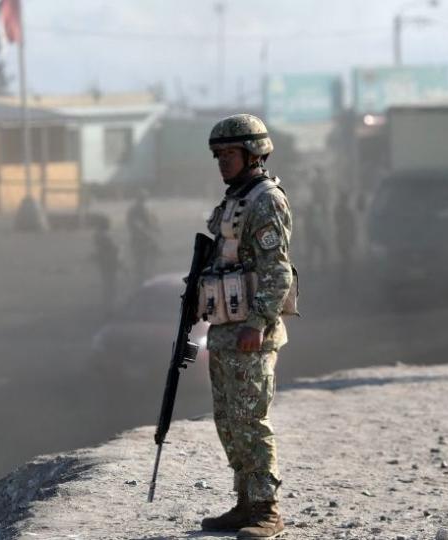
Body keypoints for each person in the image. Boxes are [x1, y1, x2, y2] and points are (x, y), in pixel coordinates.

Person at [200, 114, 293, 538]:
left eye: (230, 154)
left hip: (251, 331)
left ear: (254, 154)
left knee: (251, 418)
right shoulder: (234, 200)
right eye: (218, 155)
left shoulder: (264, 200)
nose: (222, 162)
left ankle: (266, 508)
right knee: (229, 419)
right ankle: (244, 501)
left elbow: (278, 272)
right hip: (225, 328)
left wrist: (257, 321)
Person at [126, 189, 161, 285]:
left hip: (147, 240)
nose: (144, 200)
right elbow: (136, 225)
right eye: (143, 198)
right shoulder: (135, 210)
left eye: (145, 198)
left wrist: (155, 229)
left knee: (149, 261)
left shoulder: (146, 209)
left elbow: (153, 221)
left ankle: (147, 280)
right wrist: (150, 233)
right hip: (139, 240)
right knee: (140, 262)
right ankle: (141, 282)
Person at [90, 215, 121, 315]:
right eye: (108, 223)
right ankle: (110, 308)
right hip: (109, 262)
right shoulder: (105, 236)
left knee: (108, 284)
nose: (110, 225)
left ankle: (108, 306)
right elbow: (113, 248)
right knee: (111, 285)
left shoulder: (98, 234)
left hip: (104, 261)